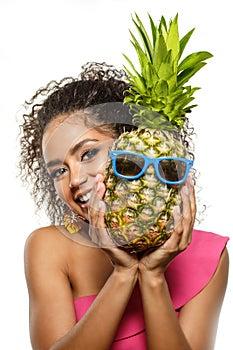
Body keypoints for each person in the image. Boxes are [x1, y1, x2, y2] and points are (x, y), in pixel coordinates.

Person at [19, 62, 229, 350]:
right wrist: (123, 273)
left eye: (88, 153)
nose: (76, 180)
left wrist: (154, 277)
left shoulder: (208, 257)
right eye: (59, 171)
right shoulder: (49, 248)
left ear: (133, 147)